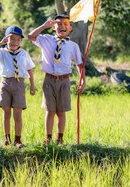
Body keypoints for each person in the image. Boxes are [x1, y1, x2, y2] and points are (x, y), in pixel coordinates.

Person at [28, 14, 86, 145]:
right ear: (54, 27)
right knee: (50, 111)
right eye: (59, 24)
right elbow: (31, 36)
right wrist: (44, 26)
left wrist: (83, 80)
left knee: (61, 111)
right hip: (49, 80)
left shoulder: (73, 46)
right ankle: (47, 139)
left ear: (70, 28)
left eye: (66, 24)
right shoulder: (46, 40)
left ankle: (60, 139)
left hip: (65, 81)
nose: (62, 27)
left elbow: (79, 64)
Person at [0, 25, 36, 148]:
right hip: (5, 83)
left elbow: (29, 70)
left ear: (21, 41)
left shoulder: (24, 53)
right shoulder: (2, 52)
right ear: (6, 39)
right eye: (12, 39)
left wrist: (32, 85)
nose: (15, 42)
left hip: (19, 83)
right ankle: (7, 139)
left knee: (18, 113)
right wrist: (0, 43)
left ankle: (17, 140)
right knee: (6, 112)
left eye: (18, 39)